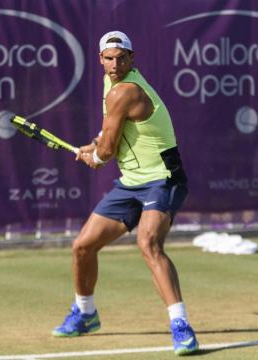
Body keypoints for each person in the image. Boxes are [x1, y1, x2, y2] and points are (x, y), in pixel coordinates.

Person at [52, 30, 199, 356]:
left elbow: (107, 150)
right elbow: (111, 135)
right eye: (109, 58)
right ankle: (86, 313)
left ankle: (181, 326)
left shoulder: (127, 90)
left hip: (163, 178)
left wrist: (98, 156)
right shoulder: (112, 85)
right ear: (100, 60)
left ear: (132, 59)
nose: (115, 64)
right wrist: (93, 148)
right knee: (82, 247)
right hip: (132, 181)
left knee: (148, 243)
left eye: (121, 58)